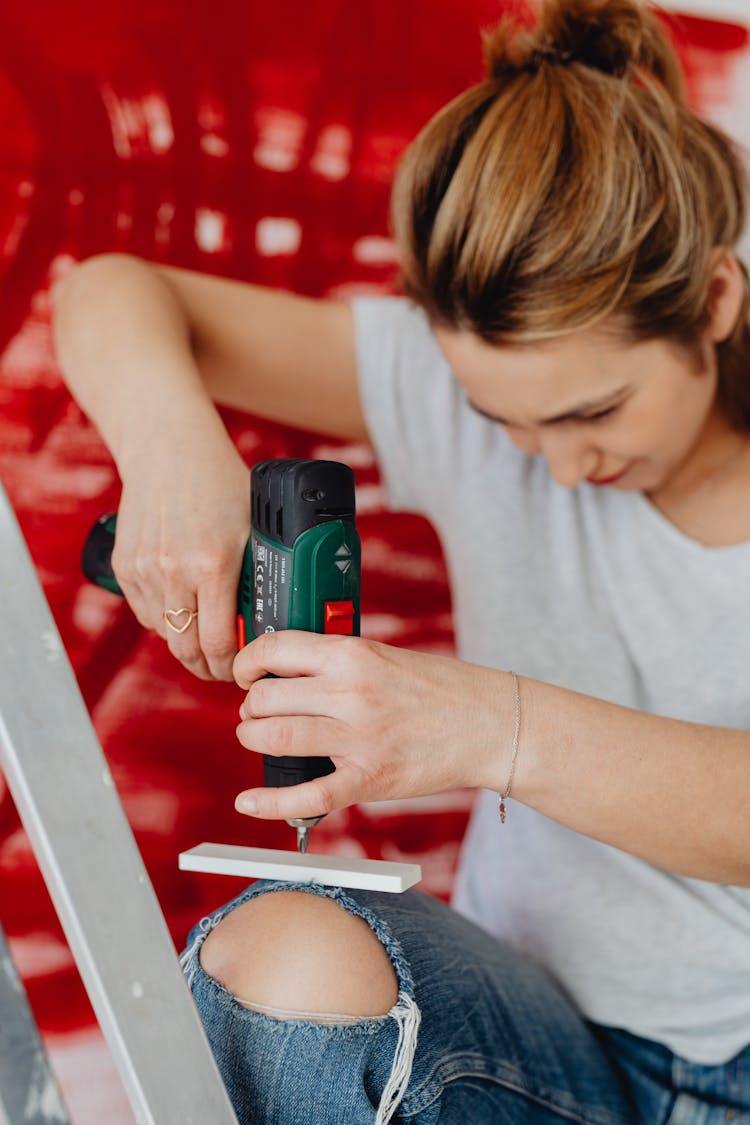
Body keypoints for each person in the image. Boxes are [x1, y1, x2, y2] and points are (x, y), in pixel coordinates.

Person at [52, 0, 750, 1121]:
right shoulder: (457, 401)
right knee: (276, 955)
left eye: (596, 412)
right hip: (524, 1032)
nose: (559, 469)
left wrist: (490, 725)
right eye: (506, 421)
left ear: (715, 299)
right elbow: (110, 294)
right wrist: (176, 454)